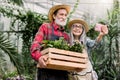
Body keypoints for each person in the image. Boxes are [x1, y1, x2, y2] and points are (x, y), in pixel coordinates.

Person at [30, 4, 71, 80]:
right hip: (46, 70)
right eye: (61, 14)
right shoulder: (46, 27)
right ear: (54, 16)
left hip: (62, 72)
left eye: (65, 15)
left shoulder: (66, 35)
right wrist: (39, 57)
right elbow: (36, 44)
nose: (64, 17)